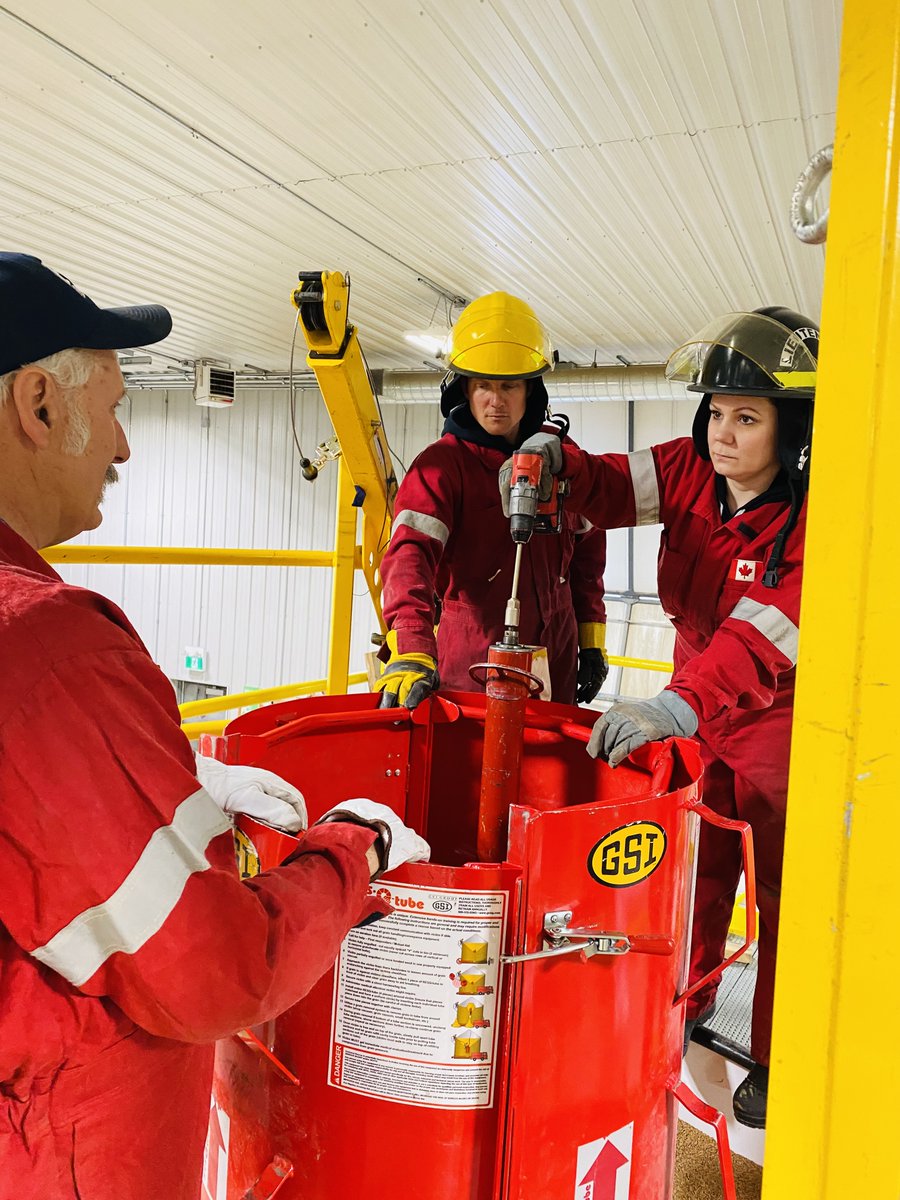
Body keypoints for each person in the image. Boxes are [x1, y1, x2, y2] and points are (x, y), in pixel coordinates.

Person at [0, 252, 429, 1200]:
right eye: (113, 407)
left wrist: (171, 774)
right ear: (36, 405)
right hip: (68, 1151)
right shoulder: (46, 645)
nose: (121, 447)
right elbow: (218, 969)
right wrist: (354, 851)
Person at [500, 307, 818, 1128]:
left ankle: (781, 1060)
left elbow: (762, 635)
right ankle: (684, 1017)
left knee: (784, 900)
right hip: (697, 721)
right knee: (696, 883)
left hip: (780, 736)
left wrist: (674, 705)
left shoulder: (821, 520)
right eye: (715, 412)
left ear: (796, 431)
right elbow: (606, 483)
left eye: (747, 417)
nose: (723, 433)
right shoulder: (684, 471)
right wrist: (553, 463)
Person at [375, 290, 608, 710]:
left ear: (530, 391)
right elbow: (409, 557)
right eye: (484, 385)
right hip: (471, 663)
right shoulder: (440, 467)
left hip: (556, 658)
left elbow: (589, 556)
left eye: (509, 385)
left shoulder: (562, 459)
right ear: (464, 387)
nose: (495, 400)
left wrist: (591, 640)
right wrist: (411, 645)